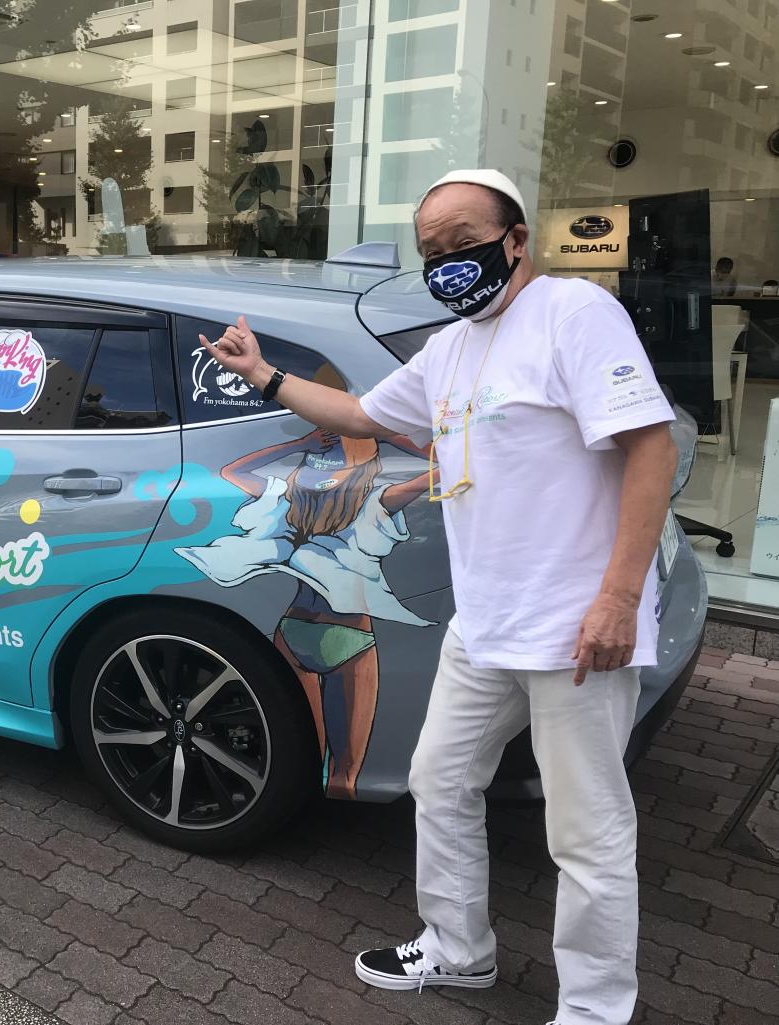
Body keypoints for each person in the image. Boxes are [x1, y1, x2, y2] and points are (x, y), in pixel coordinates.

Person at [198, 169, 677, 1025]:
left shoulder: (572, 313)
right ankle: (459, 948)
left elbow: (650, 447)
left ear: (516, 239)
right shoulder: (452, 348)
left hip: (574, 628)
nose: (448, 263)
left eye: (464, 243)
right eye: (432, 252)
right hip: (484, 624)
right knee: (440, 779)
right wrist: (264, 374)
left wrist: (618, 596)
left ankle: (596, 1008)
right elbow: (358, 414)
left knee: (587, 830)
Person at [175, 429, 433, 798]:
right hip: (351, 636)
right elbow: (448, 462)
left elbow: (233, 471)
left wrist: (298, 444)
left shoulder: (288, 500)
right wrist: (387, 434)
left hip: (294, 628)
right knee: (347, 772)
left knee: (310, 759)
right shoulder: (379, 501)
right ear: (372, 466)